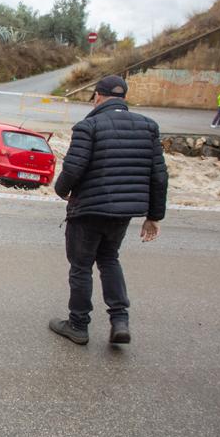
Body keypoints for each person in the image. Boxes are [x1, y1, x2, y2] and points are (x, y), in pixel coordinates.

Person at [49, 75, 168, 346]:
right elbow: (159, 176)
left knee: (81, 267)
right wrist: (154, 216)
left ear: (97, 97)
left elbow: (73, 169)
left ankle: (78, 325)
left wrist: (60, 190)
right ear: (123, 98)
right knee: (109, 260)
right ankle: (120, 320)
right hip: (123, 213)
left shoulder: (88, 126)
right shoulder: (148, 127)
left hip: (89, 210)